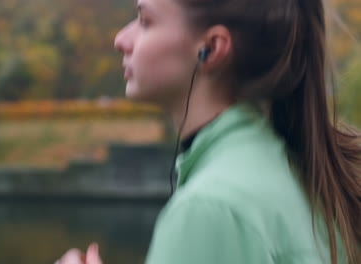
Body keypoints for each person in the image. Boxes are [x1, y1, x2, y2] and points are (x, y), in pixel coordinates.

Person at [55, 0, 361, 263]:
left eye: (145, 21)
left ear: (211, 48)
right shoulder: (304, 173)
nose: (121, 39)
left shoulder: (211, 208)